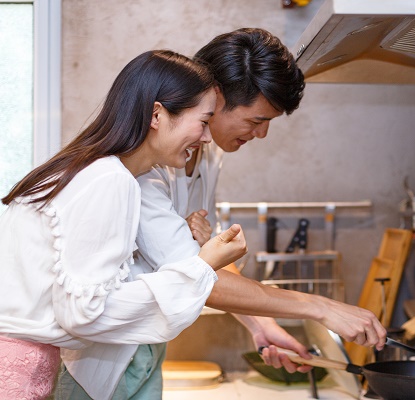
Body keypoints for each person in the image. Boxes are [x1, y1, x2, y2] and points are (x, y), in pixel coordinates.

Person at [55, 29, 387, 399]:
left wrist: (261, 326)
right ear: (216, 97)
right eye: (256, 120)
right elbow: (194, 272)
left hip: (148, 345)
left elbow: (203, 263)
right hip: (97, 361)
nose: (261, 134)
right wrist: (319, 307)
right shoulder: (140, 170)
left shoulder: (208, 156)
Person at [0, 50, 249, 399]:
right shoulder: (110, 179)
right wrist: (203, 265)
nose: (207, 138)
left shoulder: (92, 169)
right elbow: (84, 315)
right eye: (204, 121)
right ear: (158, 115)